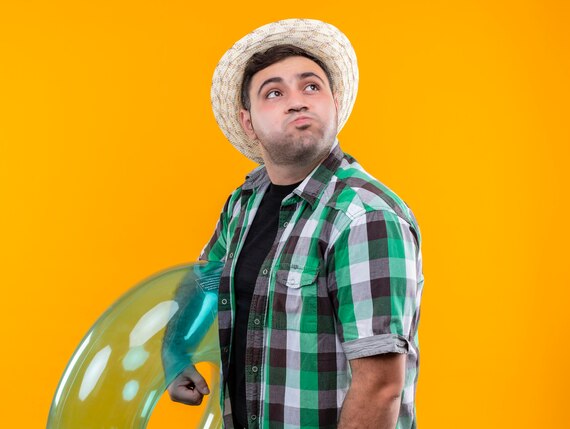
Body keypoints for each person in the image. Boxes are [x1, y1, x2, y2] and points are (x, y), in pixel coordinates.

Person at [168, 18, 424, 429]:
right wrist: (175, 354)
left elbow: (380, 388)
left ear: (334, 103)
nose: (297, 100)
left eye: (311, 86)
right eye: (274, 93)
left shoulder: (364, 215)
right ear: (248, 122)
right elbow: (205, 281)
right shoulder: (244, 203)